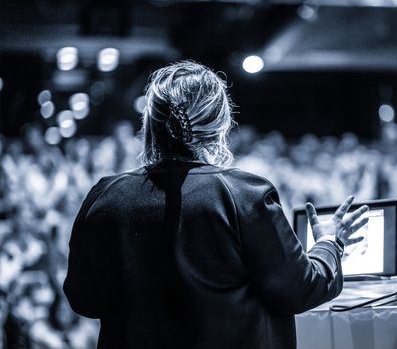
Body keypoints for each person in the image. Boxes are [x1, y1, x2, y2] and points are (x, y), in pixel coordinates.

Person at [63, 60, 368, 349]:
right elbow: (299, 289)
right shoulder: (244, 195)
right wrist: (330, 243)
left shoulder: (104, 196)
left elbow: (82, 299)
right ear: (221, 124)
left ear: (150, 123)